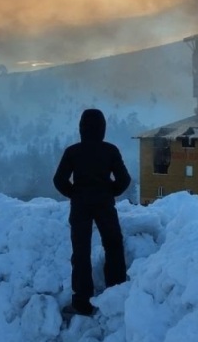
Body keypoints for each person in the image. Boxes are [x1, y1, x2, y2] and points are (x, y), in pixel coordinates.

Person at [52, 108, 132, 316]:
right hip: (105, 203)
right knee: (113, 245)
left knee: (81, 251)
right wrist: (108, 192)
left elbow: (59, 180)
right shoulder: (110, 150)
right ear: (103, 129)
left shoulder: (73, 152)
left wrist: (75, 194)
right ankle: (115, 292)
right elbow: (124, 180)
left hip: (80, 206)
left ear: (81, 128)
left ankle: (82, 302)